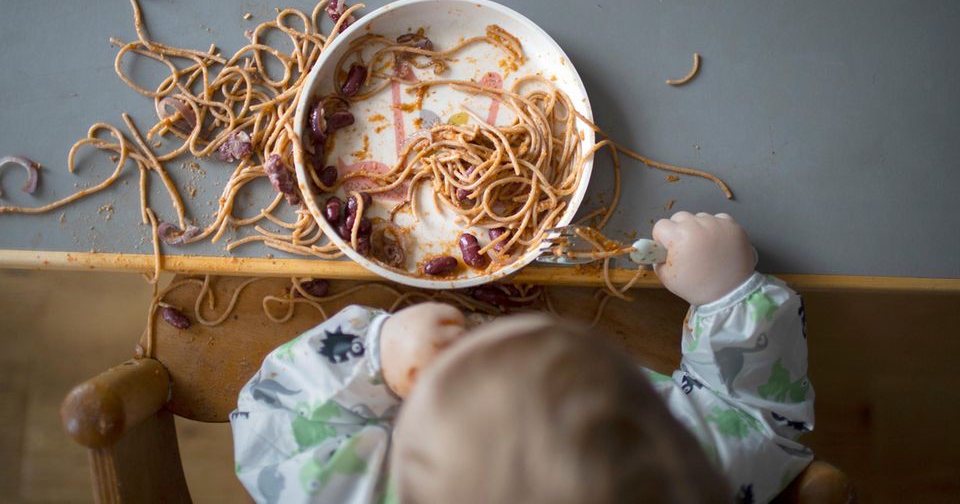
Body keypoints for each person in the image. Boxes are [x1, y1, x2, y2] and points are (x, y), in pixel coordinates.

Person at [230, 212, 814, 503]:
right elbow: (766, 427)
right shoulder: (682, 467)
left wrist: (377, 354)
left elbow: (270, 425)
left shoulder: (372, 492)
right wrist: (730, 295)